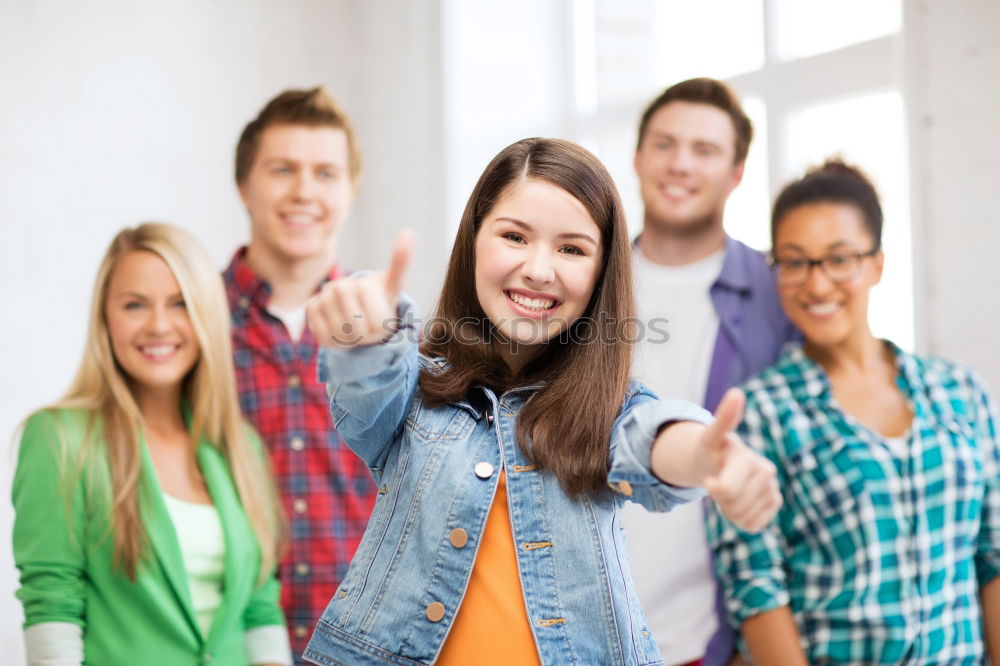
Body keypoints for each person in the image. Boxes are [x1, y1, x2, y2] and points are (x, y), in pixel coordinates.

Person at [299, 137, 781, 666]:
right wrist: (363, 331)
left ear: (601, 275)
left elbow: (654, 438)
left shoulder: (606, 409)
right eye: (514, 236)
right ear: (474, 240)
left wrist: (708, 457)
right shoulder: (414, 390)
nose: (539, 269)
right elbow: (367, 383)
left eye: (572, 249)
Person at [707, 159, 1000, 663]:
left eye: (839, 259)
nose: (817, 286)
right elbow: (757, 590)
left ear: (876, 263)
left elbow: (993, 555)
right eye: (795, 262)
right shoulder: (758, 414)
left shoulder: (959, 391)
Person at [12, 223, 289, 665]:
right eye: (135, 305)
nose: (159, 325)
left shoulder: (241, 448)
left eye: (180, 303)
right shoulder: (59, 438)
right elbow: (53, 603)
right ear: (105, 318)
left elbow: (260, 608)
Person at [624, 77, 798, 666]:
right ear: (638, 156)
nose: (680, 164)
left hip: (715, 639)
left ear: (737, 172)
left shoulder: (779, 295)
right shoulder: (582, 284)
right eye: (665, 144)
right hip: (579, 627)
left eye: (704, 150)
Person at [224, 86, 377, 660]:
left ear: (350, 190)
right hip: (224, 639)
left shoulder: (388, 327)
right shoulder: (188, 326)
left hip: (363, 643)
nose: (303, 192)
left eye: (325, 173)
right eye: (282, 169)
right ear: (244, 185)